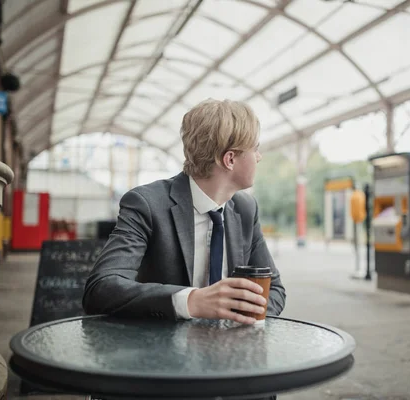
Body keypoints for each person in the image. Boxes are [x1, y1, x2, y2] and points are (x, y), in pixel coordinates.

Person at [83, 100, 286, 399]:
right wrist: (191, 301)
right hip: (155, 370)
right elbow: (101, 288)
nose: (260, 156)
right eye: (254, 148)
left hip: (229, 366)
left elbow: (276, 290)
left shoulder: (245, 209)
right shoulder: (147, 203)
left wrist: (236, 314)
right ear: (230, 159)